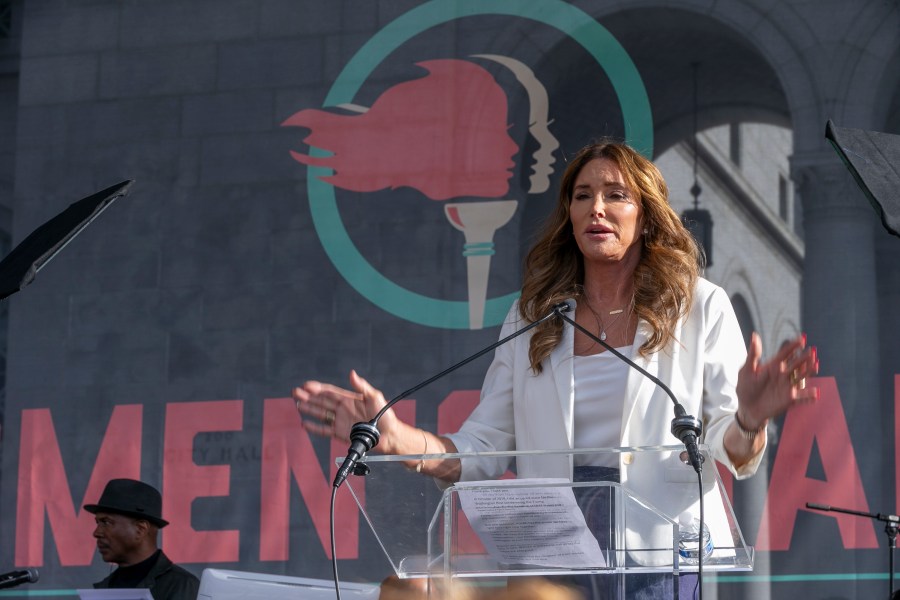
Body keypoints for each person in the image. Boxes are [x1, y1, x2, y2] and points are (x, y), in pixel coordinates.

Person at [294, 140, 819, 597]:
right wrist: (400, 440)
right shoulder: (534, 316)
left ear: (647, 215)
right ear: (568, 212)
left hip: (657, 556)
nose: (597, 207)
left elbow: (733, 450)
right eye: (583, 195)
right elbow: (484, 446)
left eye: (616, 195)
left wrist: (749, 416)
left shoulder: (699, 306)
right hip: (552, 556)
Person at [84, 478, 199, 600]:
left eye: (106, 522)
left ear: (140, 529)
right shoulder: (103, 590)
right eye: (97, 522)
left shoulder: (182, 585)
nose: (96, 533)